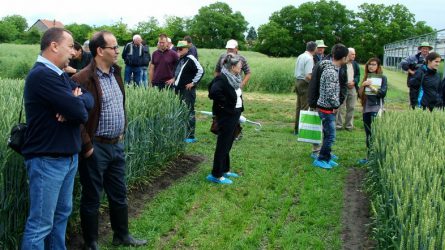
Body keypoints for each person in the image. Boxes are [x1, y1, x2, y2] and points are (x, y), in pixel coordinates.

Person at [72, 31, 147, 249]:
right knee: (92, 197)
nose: (117, 51)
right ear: (99, 51)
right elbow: (75, 117)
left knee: (119, 194)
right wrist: (87, 147)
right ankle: (91, 243)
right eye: (113, 47)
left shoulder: (116, 73)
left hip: (116, 144)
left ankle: (121, 236)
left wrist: (121, 132)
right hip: (96, 147)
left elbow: (118, 104)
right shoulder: (82, 78)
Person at [21, 27, 94, 249]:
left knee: (61, 216)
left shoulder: (58, 74)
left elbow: (88, 99)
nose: (73, 52)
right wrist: (75, 105)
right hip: (47, 160)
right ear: (54, 46)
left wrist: (75, 103)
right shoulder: (42, 75)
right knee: (41, 225)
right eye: (70, 46)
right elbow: (82, 113)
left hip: (67, 157)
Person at [308, 44, 349, 169]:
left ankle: (327, 157)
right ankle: (321, 159)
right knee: (330, 136)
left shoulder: (329, 68)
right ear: (343, 58)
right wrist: (336, 104)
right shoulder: (331, 72)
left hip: (325, 107)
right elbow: (331, 94)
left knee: (328, 135)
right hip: (326, 109)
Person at [207, 53, 244, 184]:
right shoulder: (222, 78)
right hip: (226, 115)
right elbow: (213, 92)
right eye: (239, 66)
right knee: (223, 144)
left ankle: (225, 169)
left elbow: (237, 96)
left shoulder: (235, 77)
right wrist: (226, 106)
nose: (241, 67)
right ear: (232, 67)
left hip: (235, 114)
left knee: (228, 142)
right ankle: (216, 175)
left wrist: (239, 111)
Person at [172, 40, 204, 143]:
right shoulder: (181, 59)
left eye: (181, 49)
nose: (178, 50)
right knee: (181, 111)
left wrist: (193, 83)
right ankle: (182, 133)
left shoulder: (190, 58)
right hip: (179, 89)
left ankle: (190, 136)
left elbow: (201, 70)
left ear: (186, 49)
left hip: (187, 90)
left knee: (189, 111)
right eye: (177, 49)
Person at [358, 58, 388, 163]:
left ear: (378, 66)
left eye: (374, 64)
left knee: (375, 133)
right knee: (368, 134)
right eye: (369, 64)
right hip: (366, 109)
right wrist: (363, 85)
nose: (371, 66)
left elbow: (382, 93)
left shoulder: (383, 78)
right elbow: (359, 94)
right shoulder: (366, 77)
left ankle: (376, 158)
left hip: (376, 108)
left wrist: (370, 86)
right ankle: (368, 157)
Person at [400, 41, 432, 109]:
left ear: (429, 49)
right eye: (423, 48)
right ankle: (412, 110)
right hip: (414, 81)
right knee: (413, 99)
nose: (425, 50)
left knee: (425, 100)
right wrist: (411, 72)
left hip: (426, 82)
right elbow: (402, 63)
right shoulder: (413, 57)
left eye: (427, 49)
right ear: (420, 49)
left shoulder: (431, 58)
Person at [294, 41, 317, 134]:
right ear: (314, 48)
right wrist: (315, 82)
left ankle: (297, 129)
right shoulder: (309, 58)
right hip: (304, 83)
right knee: (304, 107)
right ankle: (302, 130)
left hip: (298, 81)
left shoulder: (301, 56)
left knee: (299, 106)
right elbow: (308, 75)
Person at [336, 48, 360, 130]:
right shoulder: (342, 64)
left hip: (352, 88)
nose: (354, 56)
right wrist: (345, 83)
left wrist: (354, 82)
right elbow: (339, 75)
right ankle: (338, 125)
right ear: (347, 54)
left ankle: (349, 126)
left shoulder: (355, 64)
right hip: (343, 88)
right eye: (352, 54)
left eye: (354, 54)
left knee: (351, 107)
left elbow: (358, 75)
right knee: (341, 107)